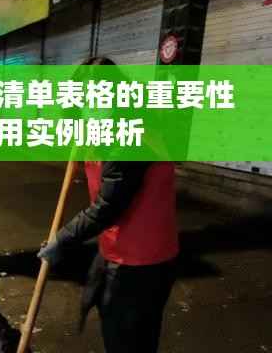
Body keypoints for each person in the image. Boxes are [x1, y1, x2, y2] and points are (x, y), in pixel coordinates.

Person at [38, 57, 178, 353]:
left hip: (139, 261)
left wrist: (62, 240)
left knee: (128, 342)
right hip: (127, 251)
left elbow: (108, 205)